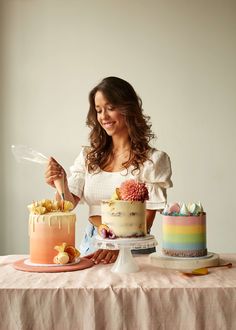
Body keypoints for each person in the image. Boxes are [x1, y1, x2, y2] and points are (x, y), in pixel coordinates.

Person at [45, 76, 173, 265]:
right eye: (98, 110)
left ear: (128, 109)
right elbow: (67, 206)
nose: (103, 116)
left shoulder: (153, 161)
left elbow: (146, 221)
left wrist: (118, 246)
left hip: (133, 250)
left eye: (110, 108)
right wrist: (60, 182)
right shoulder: (89, 157)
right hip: (93, 244)